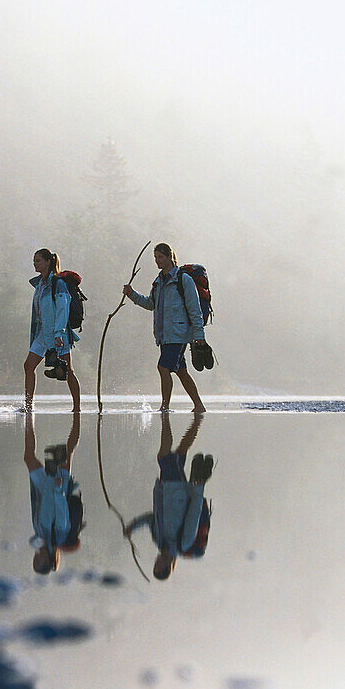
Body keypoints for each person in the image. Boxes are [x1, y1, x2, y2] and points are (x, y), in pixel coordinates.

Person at [124, 413, 212, 581]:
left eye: (155, 565)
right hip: (176, 491)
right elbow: (193, 514)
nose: (157, 562)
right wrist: (198, 487)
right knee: (163, 456)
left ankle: (197, 420)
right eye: (159, 566)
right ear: (168, 566)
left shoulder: (158, 541)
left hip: (166, 490)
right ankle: (166, 414)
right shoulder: (183, 543)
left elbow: (151, 518)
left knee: (180, 452)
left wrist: (131, 527)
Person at [123, 243, 207, 413]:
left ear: (170, 257)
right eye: (155, 258)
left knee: (163, 367)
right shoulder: (158, 282)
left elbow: (194, 309)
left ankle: (165, 407)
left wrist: (199, 335)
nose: (157, 261)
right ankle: (199, 406)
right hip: (164, 336)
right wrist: (132, 294)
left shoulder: (183, 280)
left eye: (160, 257)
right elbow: (150, 304)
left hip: (179, 334)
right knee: (181, 372)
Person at [24, 411, 83, 574]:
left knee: (28, 457)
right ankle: (77, 414)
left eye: (34, 561)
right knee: (69, 452)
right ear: (48, 560)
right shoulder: (58, 538)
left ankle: (28, 415)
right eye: (38, 561)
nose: (35, 558)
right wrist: (58, 489)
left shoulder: (40, 538)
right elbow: (63, 516)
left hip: (43, 488)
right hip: (58, 487)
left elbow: (38, 510)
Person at [24, 248, 81, 412]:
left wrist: (59, 333)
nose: (35, 264)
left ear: (48, 262)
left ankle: (77, 408)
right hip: (42, 334)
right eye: (34, 261)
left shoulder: (58, 284)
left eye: (38, 261)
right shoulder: (39, 285)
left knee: (68, 370)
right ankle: (28, 406)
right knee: (28, 366)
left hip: (59, 334)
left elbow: (63, 309)